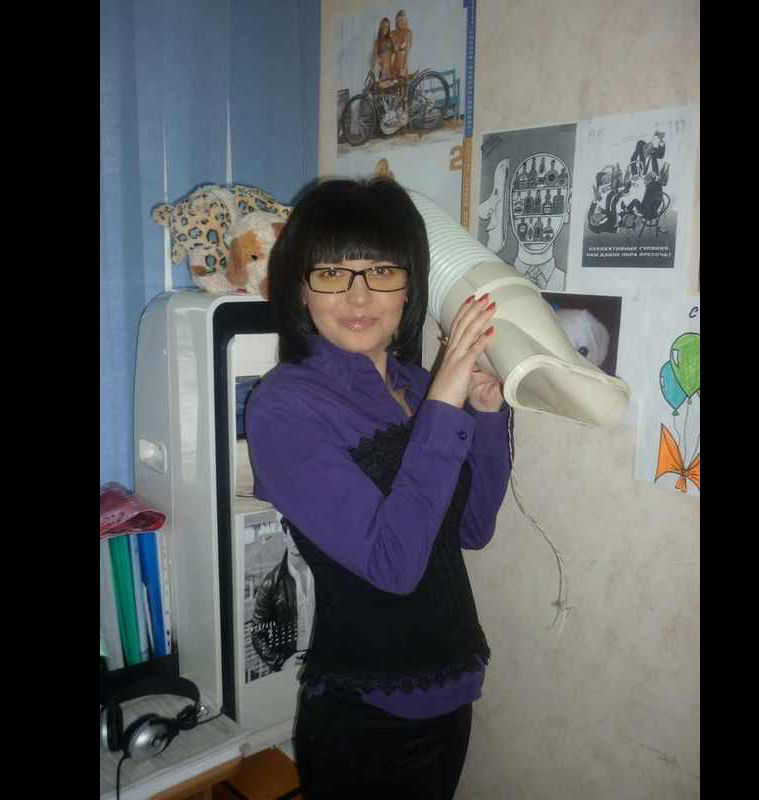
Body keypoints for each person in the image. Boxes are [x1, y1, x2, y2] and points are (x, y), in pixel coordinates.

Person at [245, 178, 512, 799]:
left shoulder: (420, 385)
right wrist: (447, 401)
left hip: (454, 693)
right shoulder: (283, 407)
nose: (359, 295)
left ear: (409, 286)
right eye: (332, 272)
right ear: (300, 287)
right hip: (365, 718)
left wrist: (484, 414)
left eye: (382, 271)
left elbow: (473, 530)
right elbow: (393, 565)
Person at [391, 9, 413, 79]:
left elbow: (407, 53)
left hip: (402, 67)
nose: (400, 23)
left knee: (402, 84)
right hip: (393, 67)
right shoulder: (393, 34)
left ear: (405, 20)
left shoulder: (408, 32)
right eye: (398, 21)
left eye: (402, 20)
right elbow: (391, 53)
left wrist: (404, 69)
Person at [371, 16, 394, 83]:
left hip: (390, 73)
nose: (385, 28)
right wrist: (376, 76)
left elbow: (393, 57)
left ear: (388, 28)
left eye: (386, 27)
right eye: (383, 26)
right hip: (381, 74)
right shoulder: (377, 42)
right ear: (380, 27)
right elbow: (374, 59)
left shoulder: (390, 41)